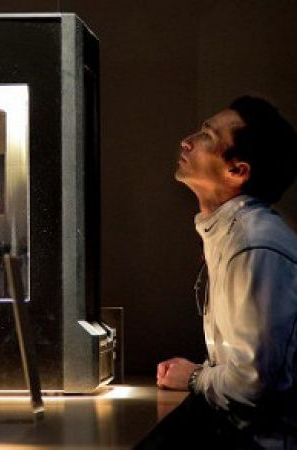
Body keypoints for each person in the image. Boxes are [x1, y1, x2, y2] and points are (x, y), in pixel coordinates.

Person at [137, 96, 297, 449]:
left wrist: (195, 377)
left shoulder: (253, 244)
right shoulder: (233, 233)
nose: (187, 141)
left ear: (237, 171)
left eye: (208, 137)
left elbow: (253, 384)